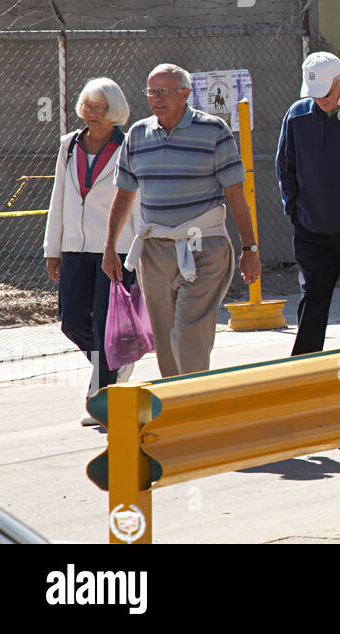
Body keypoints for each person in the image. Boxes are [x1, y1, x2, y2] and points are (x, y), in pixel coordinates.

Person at [102, 64, 261, 378]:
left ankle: (194, 402)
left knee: (188, 331)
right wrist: (110, 249)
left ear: (185, 94)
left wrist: (250, 248)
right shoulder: (137, 134)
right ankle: (176, 403)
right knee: (164, 336)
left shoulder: (214, 131)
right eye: (151, 91)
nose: (156, 98)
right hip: (154, 251)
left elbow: (235, 194)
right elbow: (123, 196)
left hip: (205, 248)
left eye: (164, 91)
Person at [44, 78, 144, 424]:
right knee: (71, 321)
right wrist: (52, 248)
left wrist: (137, 250)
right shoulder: (68, 145)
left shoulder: (130, 145)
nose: (91, 114)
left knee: (104, 325)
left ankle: (102, 399)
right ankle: (117, 366)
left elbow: (140, 201)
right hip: (74, 247)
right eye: (87, 106)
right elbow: (59, 197)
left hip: (114, 248)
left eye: (98, 108)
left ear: (113, 111)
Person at [276, 52, 340, 355]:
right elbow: (284, 169)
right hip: (312, 229)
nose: (320, 101)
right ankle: (303, 369)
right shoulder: (298, 115)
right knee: (313, 299)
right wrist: (296, 212)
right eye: (314, 95)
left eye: (326, 94)